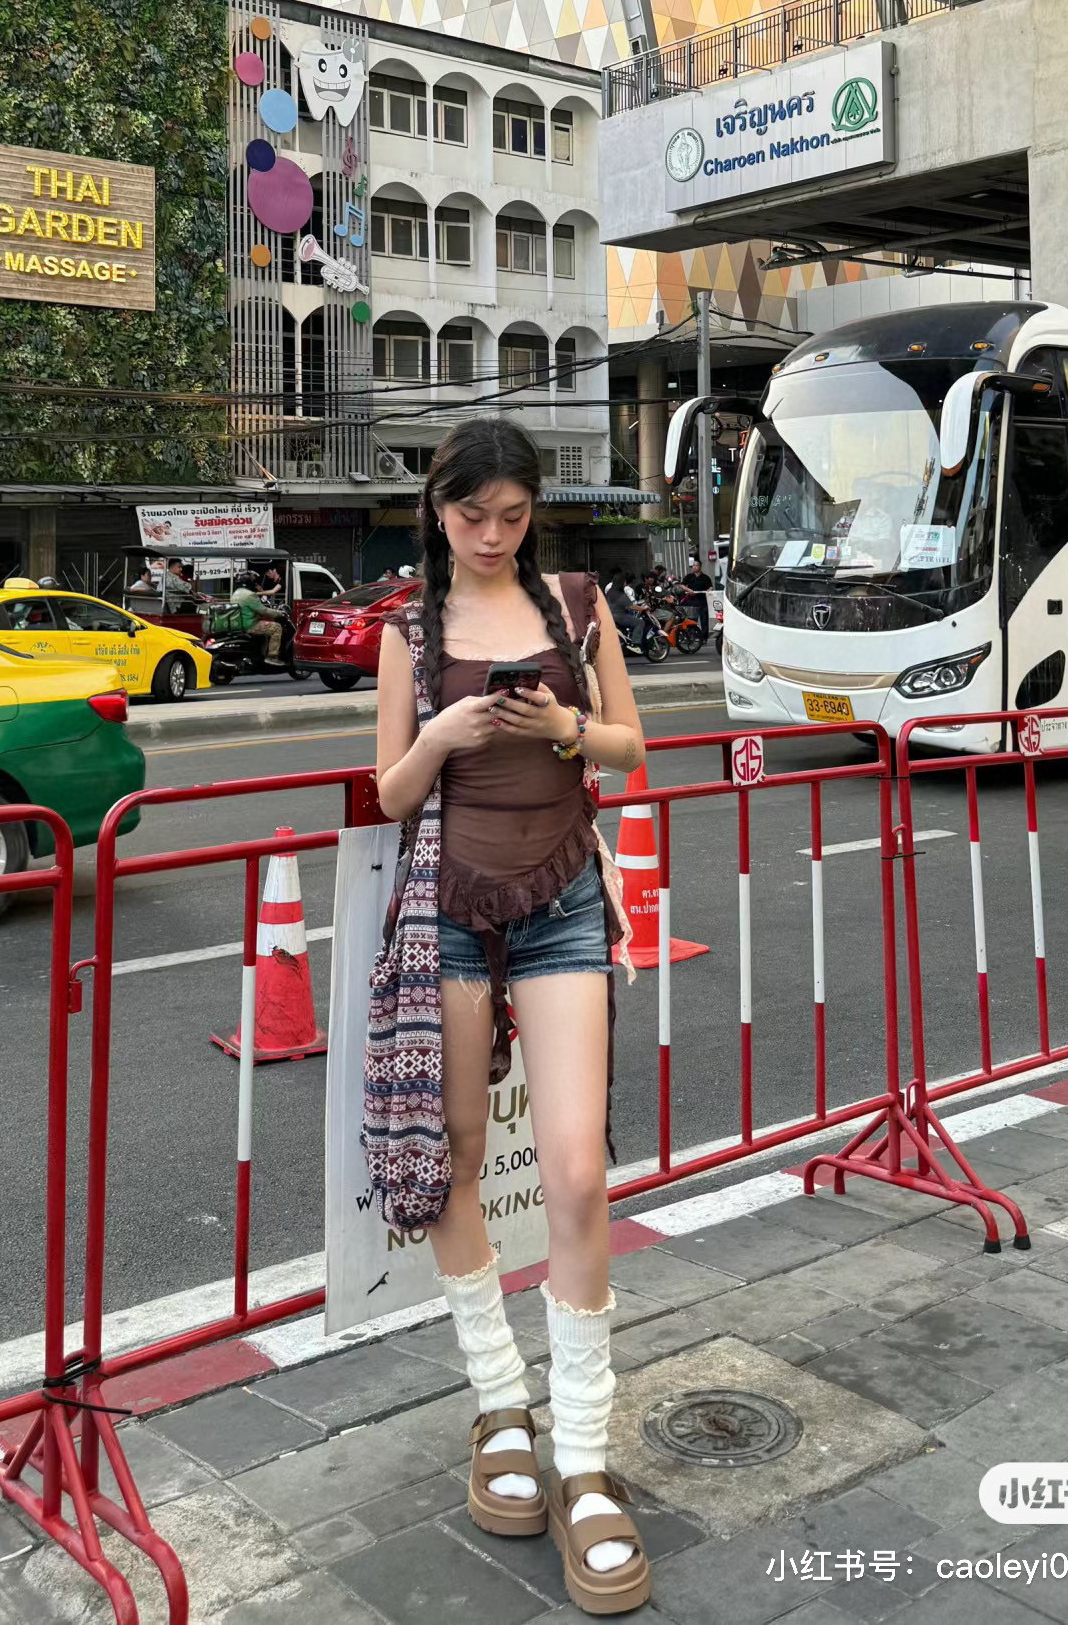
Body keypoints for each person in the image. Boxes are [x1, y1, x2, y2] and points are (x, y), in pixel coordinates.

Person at [375, 418, 652, 1615]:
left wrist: (560, 729)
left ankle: (582, 1453)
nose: (490, 536)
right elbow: (389, 791)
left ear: (534, 512)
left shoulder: (579, 607)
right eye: (469, 515)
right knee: (456, 1161)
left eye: (511, 515)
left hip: (564, 903)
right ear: (437, 512)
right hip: (447, 909)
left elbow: (629, 753)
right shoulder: (407, 631)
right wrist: (443, 732)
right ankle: (499, 1403)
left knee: (578, 1171)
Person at [230, 568, 283, 660]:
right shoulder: (249, 595)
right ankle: (272, 657)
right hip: (249, 624)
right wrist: (278, 613)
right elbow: (263, 611)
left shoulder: (236, 593)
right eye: (254, 582)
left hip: (239, 623)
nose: (255, 584)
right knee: (277, 627)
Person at [683, 555, 713, 639]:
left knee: (704, 620)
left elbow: (710, 587)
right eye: (693, 565)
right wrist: (688, 589)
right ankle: (692, 636)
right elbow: (682, 585)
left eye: (696, 565)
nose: (694, 567)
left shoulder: (705, 577)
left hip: (703, 602)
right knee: (692, 620)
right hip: (692, 601)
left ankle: (704, 638)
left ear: (700, 566)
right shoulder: (689, 576)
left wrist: (709, 590)